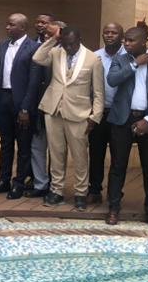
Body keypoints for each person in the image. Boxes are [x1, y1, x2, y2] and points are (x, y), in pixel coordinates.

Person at [33, 24, 105, 211]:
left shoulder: (93, 59)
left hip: (79, 114)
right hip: (53, 110)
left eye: (72, 44)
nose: (68, 48)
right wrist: (54, 39)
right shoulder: (57, 52)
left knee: (80, 156)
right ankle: (56, 190)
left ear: (79, 40)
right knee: (56, 153)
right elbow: (37, 57)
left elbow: (98, 92)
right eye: (65, 44)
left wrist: (95, 116)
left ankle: (81, 192)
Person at [106, 26, 148, 227]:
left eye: (131, 40)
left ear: (143, 42)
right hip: (122, 120)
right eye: (125, 40)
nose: (126, 43)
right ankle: (113, 208)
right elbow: (112, 80)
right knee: (118, 166)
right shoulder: (120, 60)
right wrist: (135, 64)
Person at [0, 14, 41, 198]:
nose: (7, 27)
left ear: (23, 28)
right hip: (3, 98)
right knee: (6, 142)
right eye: (7, 24)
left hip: (22, 102)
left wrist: (25, 108)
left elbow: (34, 82)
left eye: (11, 25)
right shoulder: (2, 46)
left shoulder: (34, 48)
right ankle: (3, 179)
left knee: (23, 145)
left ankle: (19, 182)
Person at [88, 22, 125, 204]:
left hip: (120, 114)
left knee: (119, 156)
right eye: (106, 32)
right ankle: (94, 189)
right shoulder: (94, 56)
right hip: (99, 112)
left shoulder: (129, 57)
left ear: (122, 36)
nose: (109, 35)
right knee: (96, 153)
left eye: (114, 32)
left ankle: (115, 192)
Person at [25, 14, 58, 199]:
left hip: (58, 108)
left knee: (56, 150)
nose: (42, 27)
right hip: (38, 106)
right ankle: (40, 183)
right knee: (37, 146)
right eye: (38, 23)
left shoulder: (65, 50)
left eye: (46, 25)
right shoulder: (34, 47)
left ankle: (56, 185)